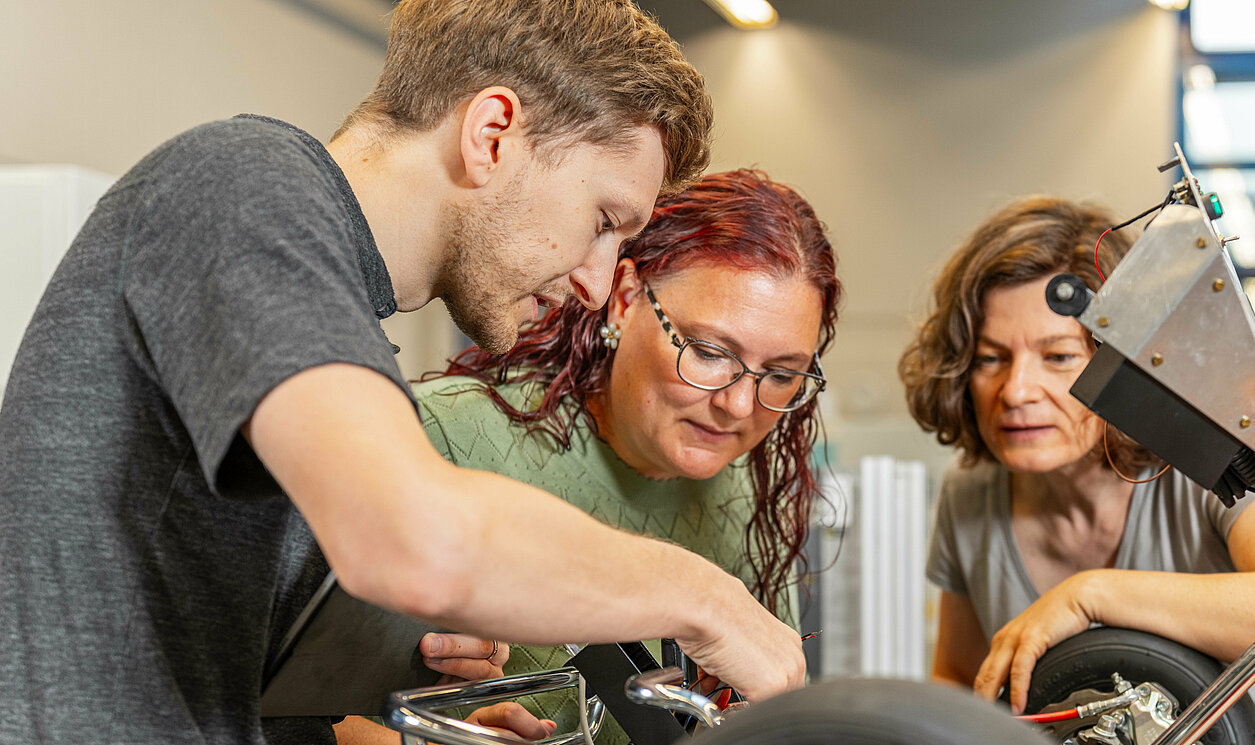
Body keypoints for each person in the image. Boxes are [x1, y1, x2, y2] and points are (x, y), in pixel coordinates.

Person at [0, 2, 807, 743]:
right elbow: (412, 538)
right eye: (603, 222)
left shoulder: (352, 324)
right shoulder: (242, 182)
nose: (599, 284)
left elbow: (231, 669)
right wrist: (708, 600)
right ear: (492, 133)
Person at [336, 168, 839, 744]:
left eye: (780, 374)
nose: (738, 404)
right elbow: (276, 712)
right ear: (625, 301)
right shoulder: (444, 437)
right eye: (707, 351)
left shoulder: (747, 491)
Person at [898, 196, 1255, 745]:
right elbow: (960, 680)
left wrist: (1091, 595)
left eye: (1057, 357)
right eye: (989, 358)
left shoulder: (1215, 463)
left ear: (1125, 365)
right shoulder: (969, 494)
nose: (1016, 391)